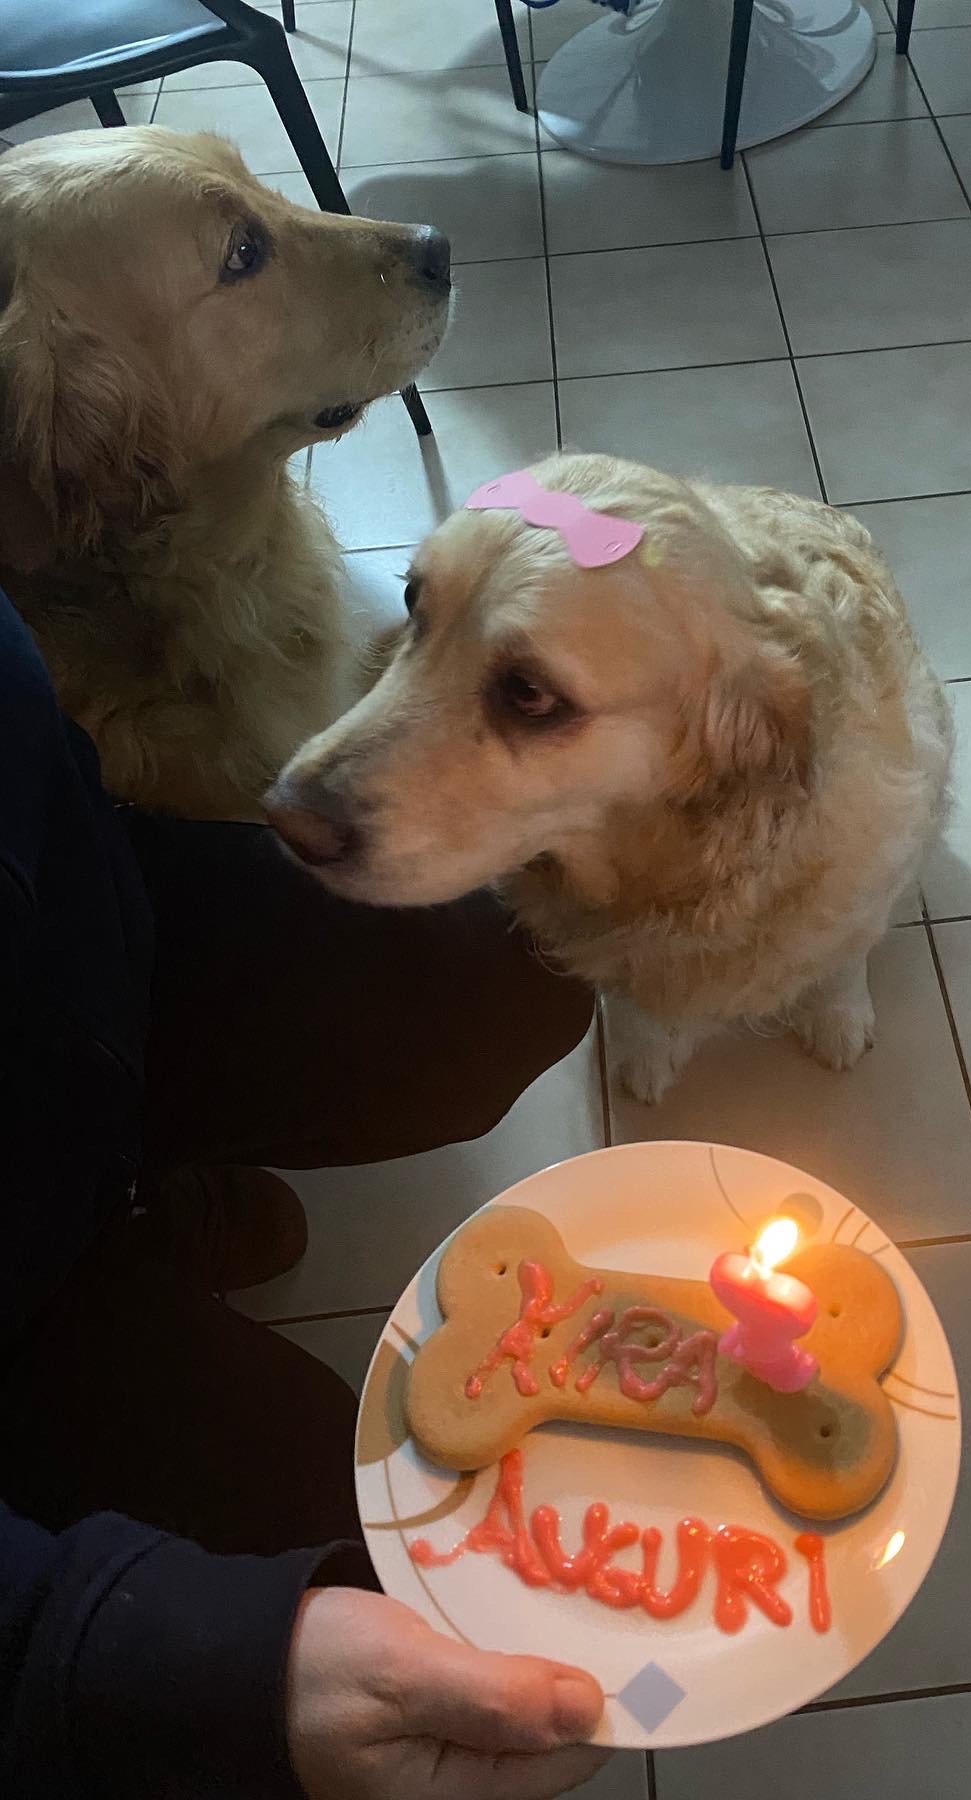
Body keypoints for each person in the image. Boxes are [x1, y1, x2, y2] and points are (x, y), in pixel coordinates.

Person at [0, 584, 610, 1800]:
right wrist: (134, 1655)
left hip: (76, 941)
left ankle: (129, 1193)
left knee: (518, 971)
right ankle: (91, 1261)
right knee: (370, 1554)